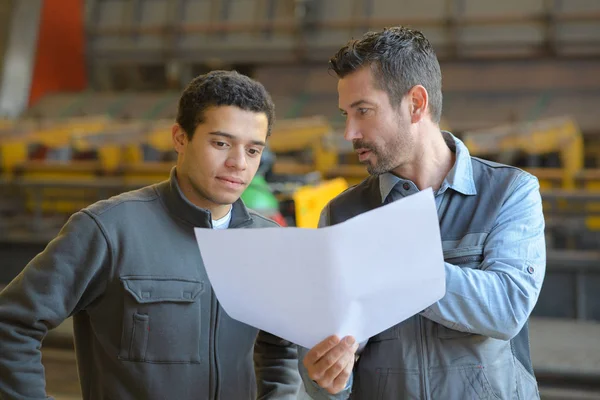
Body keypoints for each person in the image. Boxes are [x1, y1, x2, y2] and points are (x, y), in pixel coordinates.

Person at [0, 70, 301, 399]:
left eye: (253, 151)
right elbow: (11, 325)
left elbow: (282, 351)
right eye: (221, 143)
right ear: (180, 138)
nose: (238, 163)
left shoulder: (267, 242)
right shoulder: (109, 230)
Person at [298, 26, 546, 399]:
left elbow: (507, 307)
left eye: (363, 111)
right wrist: (329, 378)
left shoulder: (508, 192)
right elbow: (325, 372)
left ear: (415, 103)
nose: (349, 132)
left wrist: (394, 265)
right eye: (345, 114)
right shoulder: (342, 215)